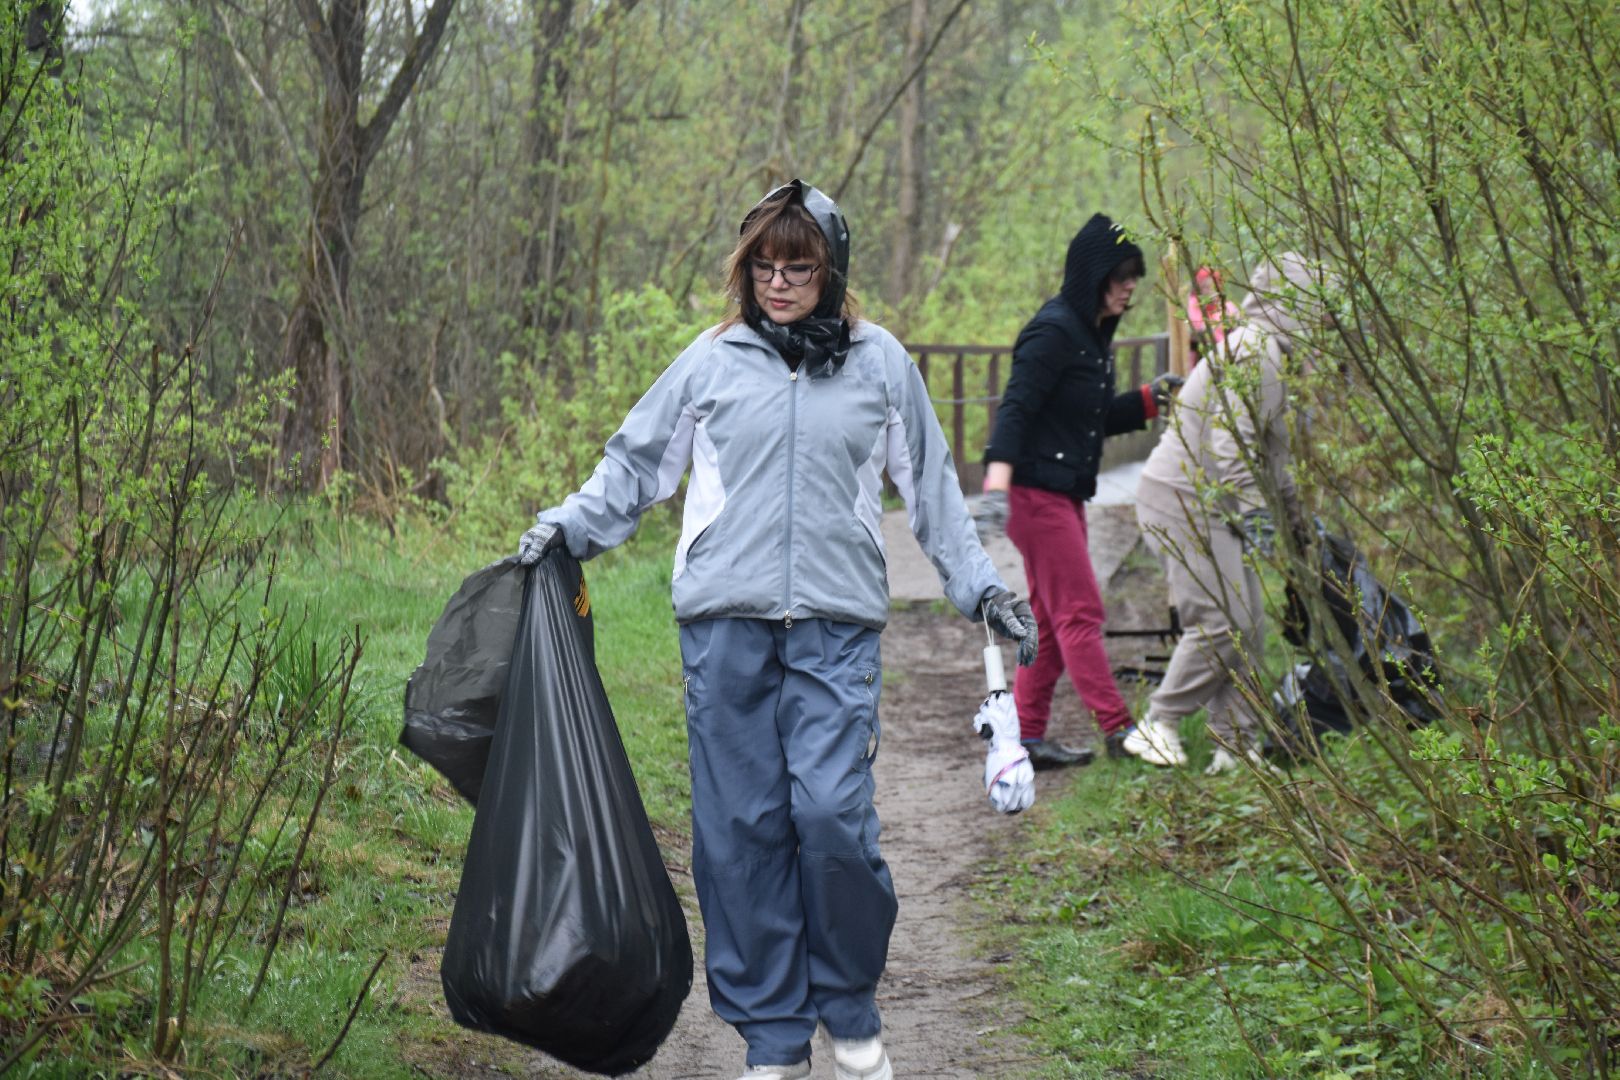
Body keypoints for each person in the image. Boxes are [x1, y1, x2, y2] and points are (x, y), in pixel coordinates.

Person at [516, 179, 1038, 1080]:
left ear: (832, 270)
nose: (780, 283)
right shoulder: (712, 360)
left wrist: (981, 587)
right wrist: (566, 528)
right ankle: (773, 1039)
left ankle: (848, 1005)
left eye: (799, 267)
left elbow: (932, 491)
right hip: (724, 628)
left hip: (836, 628)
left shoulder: (880, 364)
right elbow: (634, 467)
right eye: (764, 267)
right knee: (741, 831)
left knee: (833, 816)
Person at [977, 213, 1183, 768]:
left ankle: (1027, 736)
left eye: (1134, 276)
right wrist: (996, 488)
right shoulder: (1053, 331)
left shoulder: (1091, 335)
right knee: (1080, 611)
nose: (1130, 286)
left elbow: (1088, 417)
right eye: (1121, 276)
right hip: (1033, 495)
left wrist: (1150, 399)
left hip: (1062, 492)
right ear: (1093, 275)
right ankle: (1121, 733)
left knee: (1050, 620)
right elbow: (1015, 409)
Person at [1134, 252, 1333, 773]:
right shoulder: (1256, 352)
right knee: (1220, 622)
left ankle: (1235, 744)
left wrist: (1297, 526)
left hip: (1210, 503)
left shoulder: (1276, 357)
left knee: (1249, 626)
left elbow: (1273, 461)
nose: (1327, 323)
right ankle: (1160, 722)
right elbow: (1232, 446)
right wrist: (1260, 520)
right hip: (1182, 500)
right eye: (1319, 309)